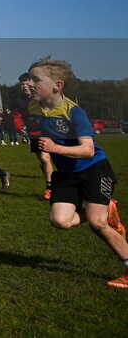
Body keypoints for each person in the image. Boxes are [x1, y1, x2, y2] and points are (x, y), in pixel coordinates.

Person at [26, 59, 128, 287]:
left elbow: (88, 149)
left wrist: (54, 148)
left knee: (97, 223)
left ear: (57, 85)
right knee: (60, 221)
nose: (29, 83)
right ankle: (105, 208)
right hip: (66, 173)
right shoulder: (34, 107)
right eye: (29, 78)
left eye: (35, 79)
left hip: (94, 170)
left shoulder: (75, 111)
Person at [16, 72, 54, 199]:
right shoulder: (20, 101)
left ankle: (50, 188)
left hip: (48, 132)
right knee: (41, 160)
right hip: (33, 134)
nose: (24, 87)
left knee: (45, 158)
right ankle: (50, 184)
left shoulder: (41, 96)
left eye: (27, 84)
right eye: (22, 85)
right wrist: (20, 129)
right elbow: (17, 116)